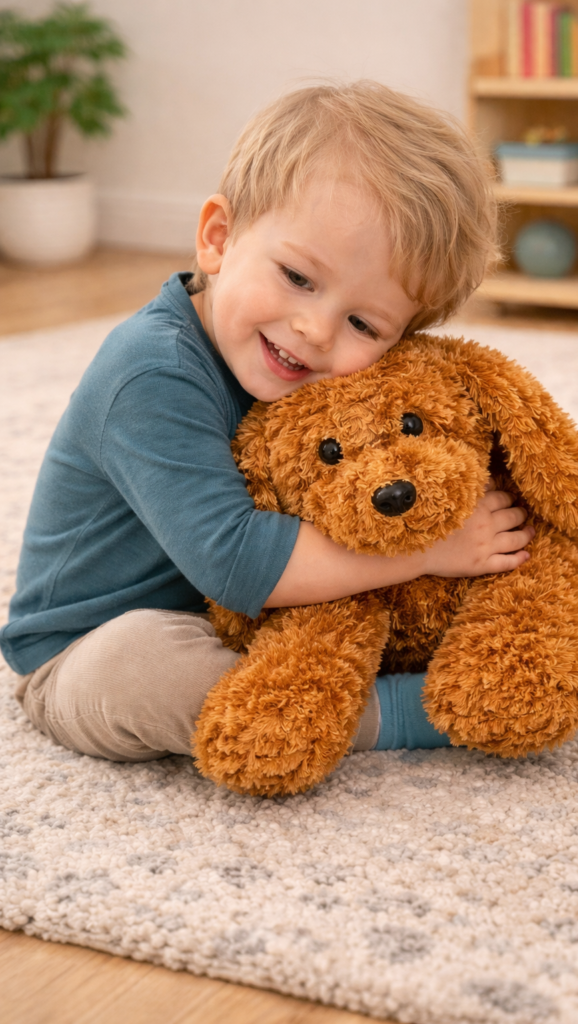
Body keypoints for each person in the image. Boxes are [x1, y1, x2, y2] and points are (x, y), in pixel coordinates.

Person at [0, 81, 534, 764]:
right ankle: (390, 712)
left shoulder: (325, 374)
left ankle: (340, 666)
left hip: (252, 619)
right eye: (296, 277)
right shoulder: (149, 372)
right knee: (139, 671)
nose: (313, 330)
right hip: (89, 644)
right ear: (217, 238)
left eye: (363, 323)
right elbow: (234, 559)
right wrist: (428, 552)